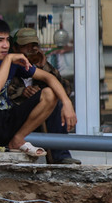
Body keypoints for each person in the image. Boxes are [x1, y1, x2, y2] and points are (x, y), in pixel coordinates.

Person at [0, 18, 77, 161]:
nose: (5, 45)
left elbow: (49, 78)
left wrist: (67, 103)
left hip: (8, 122)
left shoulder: (12, 62)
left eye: (6, 40)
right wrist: (9, 59)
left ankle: (17, 140)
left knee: (50, 93)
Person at [7, 27, 81, 164]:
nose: (31, 50)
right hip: (14, 119)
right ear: (16, 48)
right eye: (25, 46)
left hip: (39, 120)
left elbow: (65, 88)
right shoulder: (10, 64)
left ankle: (61, 155)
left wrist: (44, 66)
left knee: (56, 101)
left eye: (34, 46)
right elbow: (2, 92)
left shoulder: (41, 67)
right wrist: (22, 92)